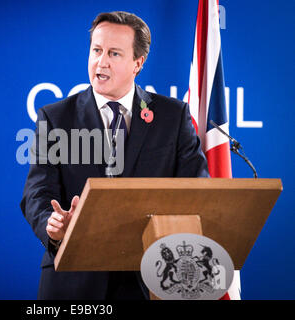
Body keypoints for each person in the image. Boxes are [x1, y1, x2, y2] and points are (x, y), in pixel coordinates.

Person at [20, 11, 209, 300]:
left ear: (138, 63)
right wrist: (53, 226)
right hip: (73, 281)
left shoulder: (172, 116)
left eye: (114, 53)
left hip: (150, 278)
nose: (101, 61)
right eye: (96, 50)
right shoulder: (56, 117)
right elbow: (37, 191)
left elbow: (195, 186)